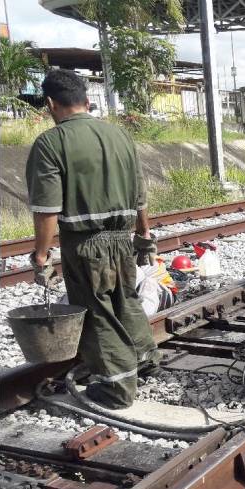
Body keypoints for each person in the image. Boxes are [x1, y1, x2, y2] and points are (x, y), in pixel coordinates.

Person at [27, 69, 160, 408]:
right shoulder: (120, 136)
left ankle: (116, 388)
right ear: (87, 101)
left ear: (50, 104)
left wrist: (41, 255)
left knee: (97, 312)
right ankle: (144, 360)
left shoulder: (51, 143)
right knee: (125, 299)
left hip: (85, 244)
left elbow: (47, 210)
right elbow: (140, 194)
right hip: (121, 238)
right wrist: (144, 233)